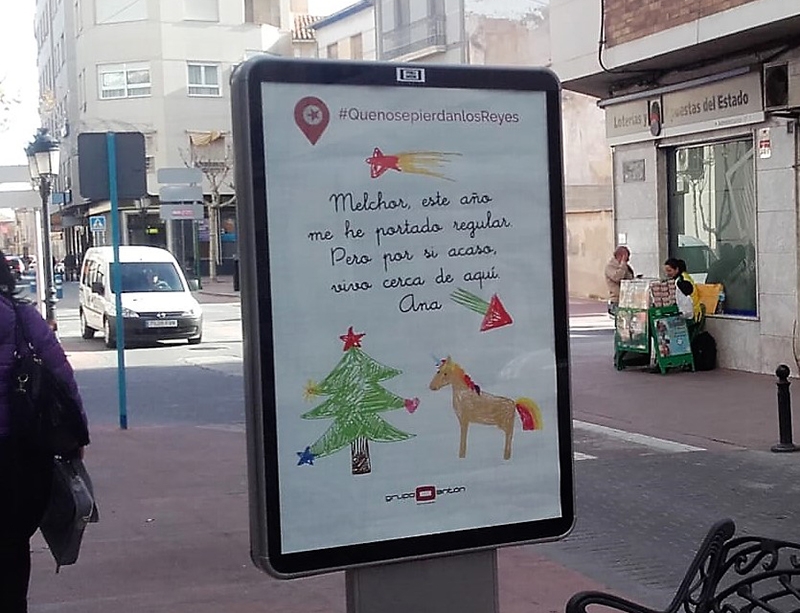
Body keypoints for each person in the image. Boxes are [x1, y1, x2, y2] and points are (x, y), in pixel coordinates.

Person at [0, 249, 87, 612]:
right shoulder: (23, 318)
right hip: (21, 456)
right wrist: (77, 436)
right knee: (12, 546)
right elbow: (62, 377)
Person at [605, 246, 634, 315]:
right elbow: (618, 277)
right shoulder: (610, 267)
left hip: (626, 299)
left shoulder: (625, 266)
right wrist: (623, 263)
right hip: (617, 300)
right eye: (627, 257)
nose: (628, 259)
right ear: (621, 256)